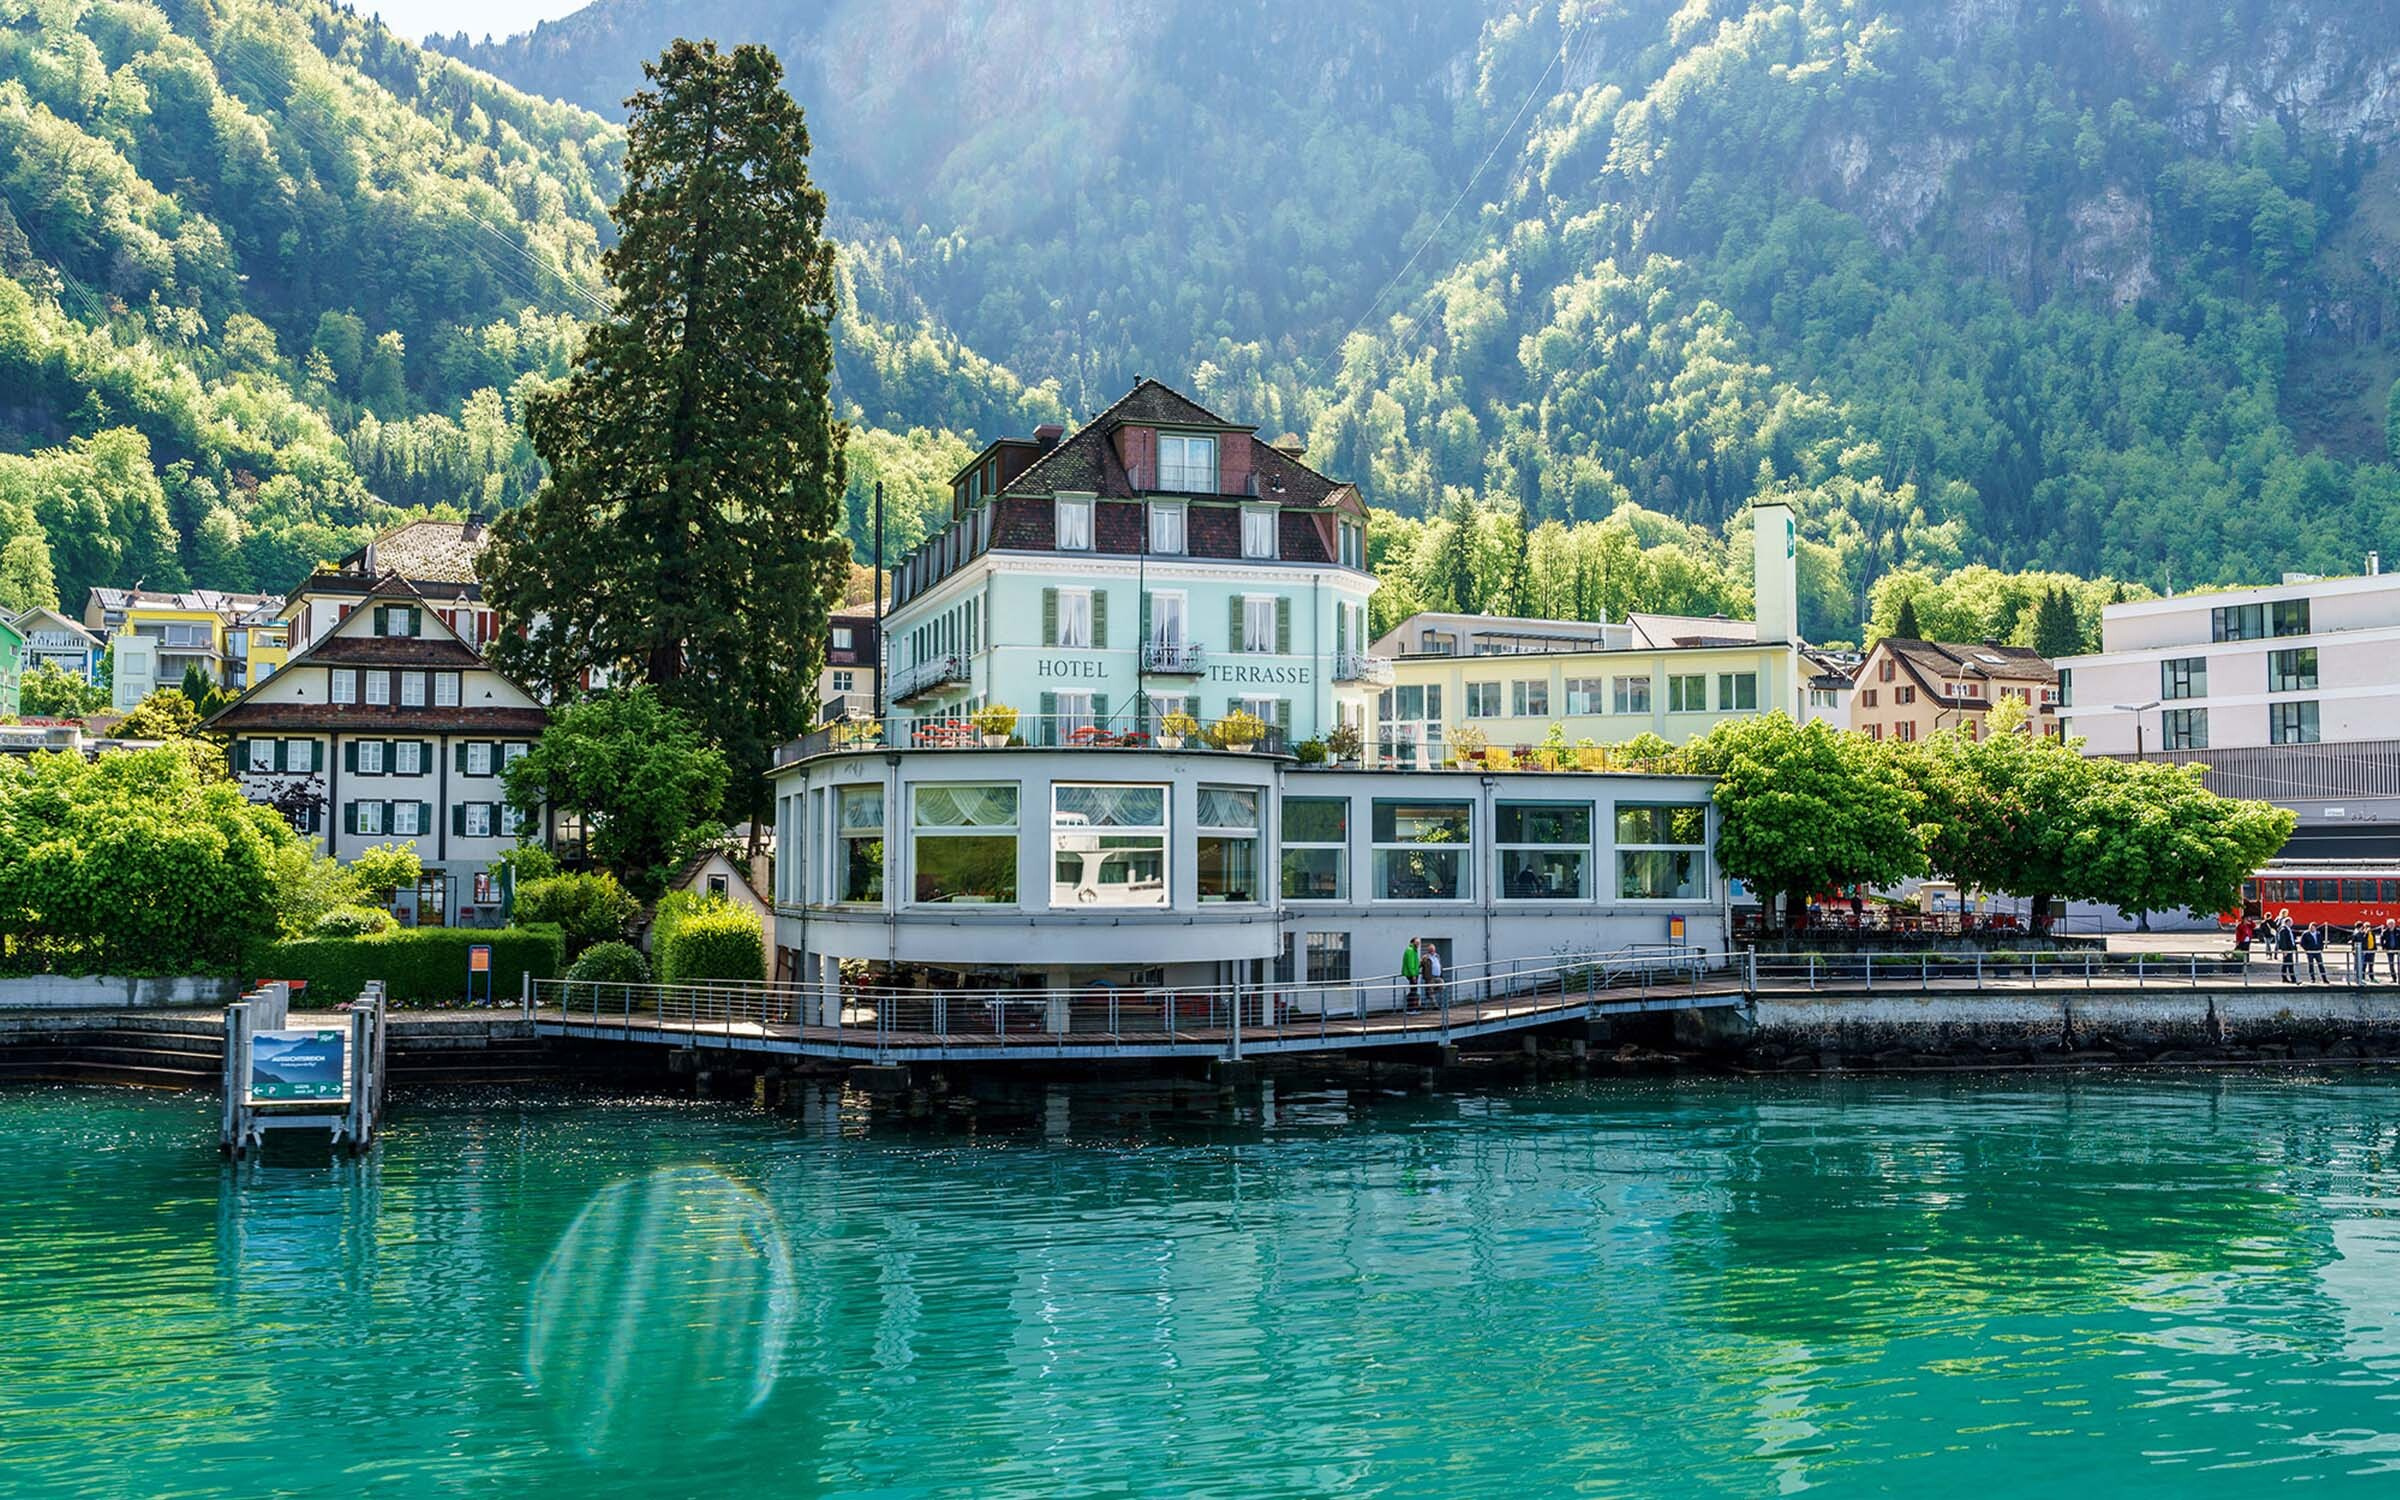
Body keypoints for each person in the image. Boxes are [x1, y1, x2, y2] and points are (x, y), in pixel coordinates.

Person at [2277, 914, 2299, 983]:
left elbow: (2291, 939)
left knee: (2287, 964)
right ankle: (2292, 978)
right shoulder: (2283, 930)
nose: (2291, 923)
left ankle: (2287, 978)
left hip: (2289, 949)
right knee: (2288, 964)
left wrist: (2294, 947)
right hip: (2287, 950)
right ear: (2286, 922)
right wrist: (2284, 950)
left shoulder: (2288, 929)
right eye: (2290, 922)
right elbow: (2283, 941)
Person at [1400, 937, 1421, 1011]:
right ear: (1412, 942)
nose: (1418, 944)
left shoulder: (1413, 950)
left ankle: (1412, 1008)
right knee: (1413, 991)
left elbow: (1414, 963)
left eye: (1419, 943)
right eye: (1417, 942)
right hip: (1412, 974)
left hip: (1414, 973)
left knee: (1413, 990)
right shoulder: (1410, 951)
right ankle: (1412, 1009)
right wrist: (1413, 975)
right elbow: (1410, 964)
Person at [2354, 919, 2376, 986]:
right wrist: (2366, 933)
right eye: (2366, 926)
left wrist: (2375, 948)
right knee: (2364, 965)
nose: (2368, 927)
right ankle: (2362, 978)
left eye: (2369, 926)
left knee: (2371, 965)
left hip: (2372, 950)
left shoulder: (2372, 933)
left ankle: (2371, 978)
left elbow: (2374, 941)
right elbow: (2363, 939)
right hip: (2365, 951)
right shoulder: (2363, 933)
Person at [1422, 942, 1443, 1007]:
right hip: (1430, 978)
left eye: (1433, 949)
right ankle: (1435, 1006)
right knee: (1430, 991)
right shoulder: (1425, 957)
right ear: (1428, 950)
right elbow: (1420, 965)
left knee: (1442, 988)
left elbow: (1439, 964)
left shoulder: (1437, 956)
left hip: (1438, 977)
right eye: (1430, 949)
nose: (1432, 951)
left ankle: (1442, 1003)